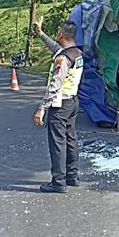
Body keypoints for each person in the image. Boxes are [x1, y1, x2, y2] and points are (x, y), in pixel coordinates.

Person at [33, 17, 84, 193]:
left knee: (58, 143)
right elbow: (54, 47)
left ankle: (58, 181)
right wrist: (40, 33)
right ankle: (72, 176)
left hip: (60, 105)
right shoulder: (76, 53)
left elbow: (55, 85)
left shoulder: (63, 59)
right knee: (71, 139)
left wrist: (41, 108)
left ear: (61, 35)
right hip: (73, 102)